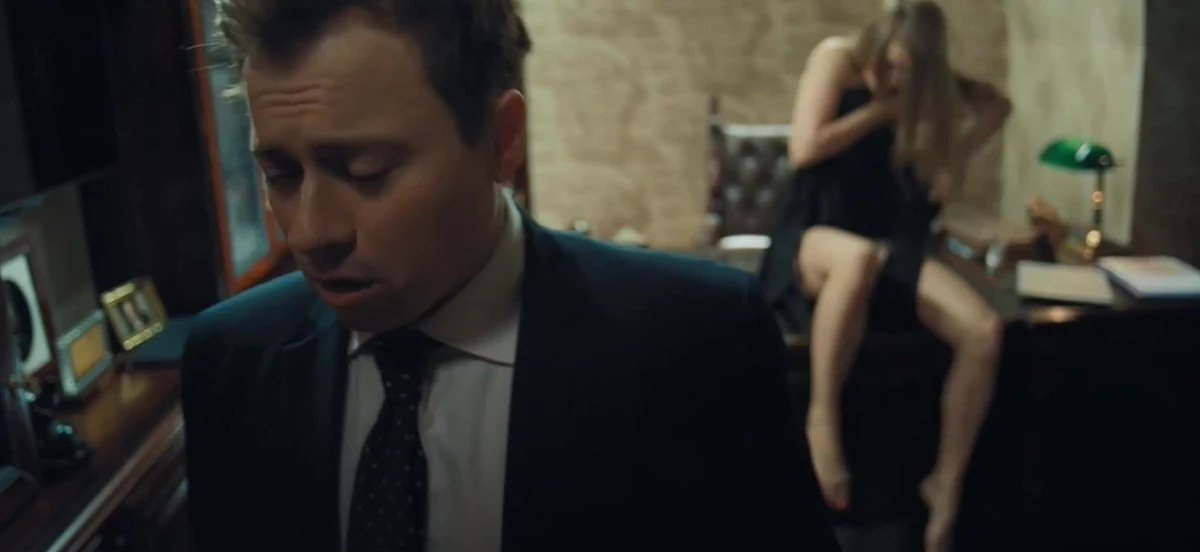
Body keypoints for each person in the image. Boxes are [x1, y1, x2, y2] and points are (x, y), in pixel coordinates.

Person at [181, 1, 841, 552]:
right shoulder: (231, 361)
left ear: (503, 140)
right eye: (281, 175)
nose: (309, 232)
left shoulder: (700, 341)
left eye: (365, 172)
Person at [757, 2, 1012, 551]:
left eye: (909, 73)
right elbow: (804, 150)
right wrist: (881, 112)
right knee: (857, 261)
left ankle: (945, 484)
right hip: (816, 233)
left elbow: (998, 104)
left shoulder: (931, 82)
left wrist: (955, 153)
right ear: (875, 43)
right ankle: (822, 423)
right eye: (890, 65)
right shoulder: (836, 58)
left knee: (984, 332)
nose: (896, 79)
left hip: (888, 239)